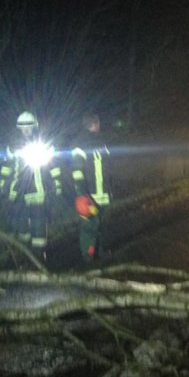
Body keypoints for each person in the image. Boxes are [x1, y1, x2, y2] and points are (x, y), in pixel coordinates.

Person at [0, 111, 63, 258]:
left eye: (29, 127)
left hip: (38, 193)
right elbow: (7, 168)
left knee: (39, 228)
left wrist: (57, 185)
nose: (26, 131)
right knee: (22, 229)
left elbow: (53, 166)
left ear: (34, 127)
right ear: (19, 128)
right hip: (19, 194)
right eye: (23, 128)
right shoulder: (13, 147)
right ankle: (25, 256)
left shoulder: (42, 144)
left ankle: (39, 258)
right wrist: (3, 186)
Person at [70, 111, 112, 264]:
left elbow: (107, 169)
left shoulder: (101, 142)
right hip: (89, 198)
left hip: (102, 195)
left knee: (101, 226)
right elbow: (77, 172)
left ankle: (99, 254)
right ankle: (88, 259)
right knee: (90, 227)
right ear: (93, 124)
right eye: (97, 122)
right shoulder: (79, 144)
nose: (99, 125)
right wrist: (82, 194)